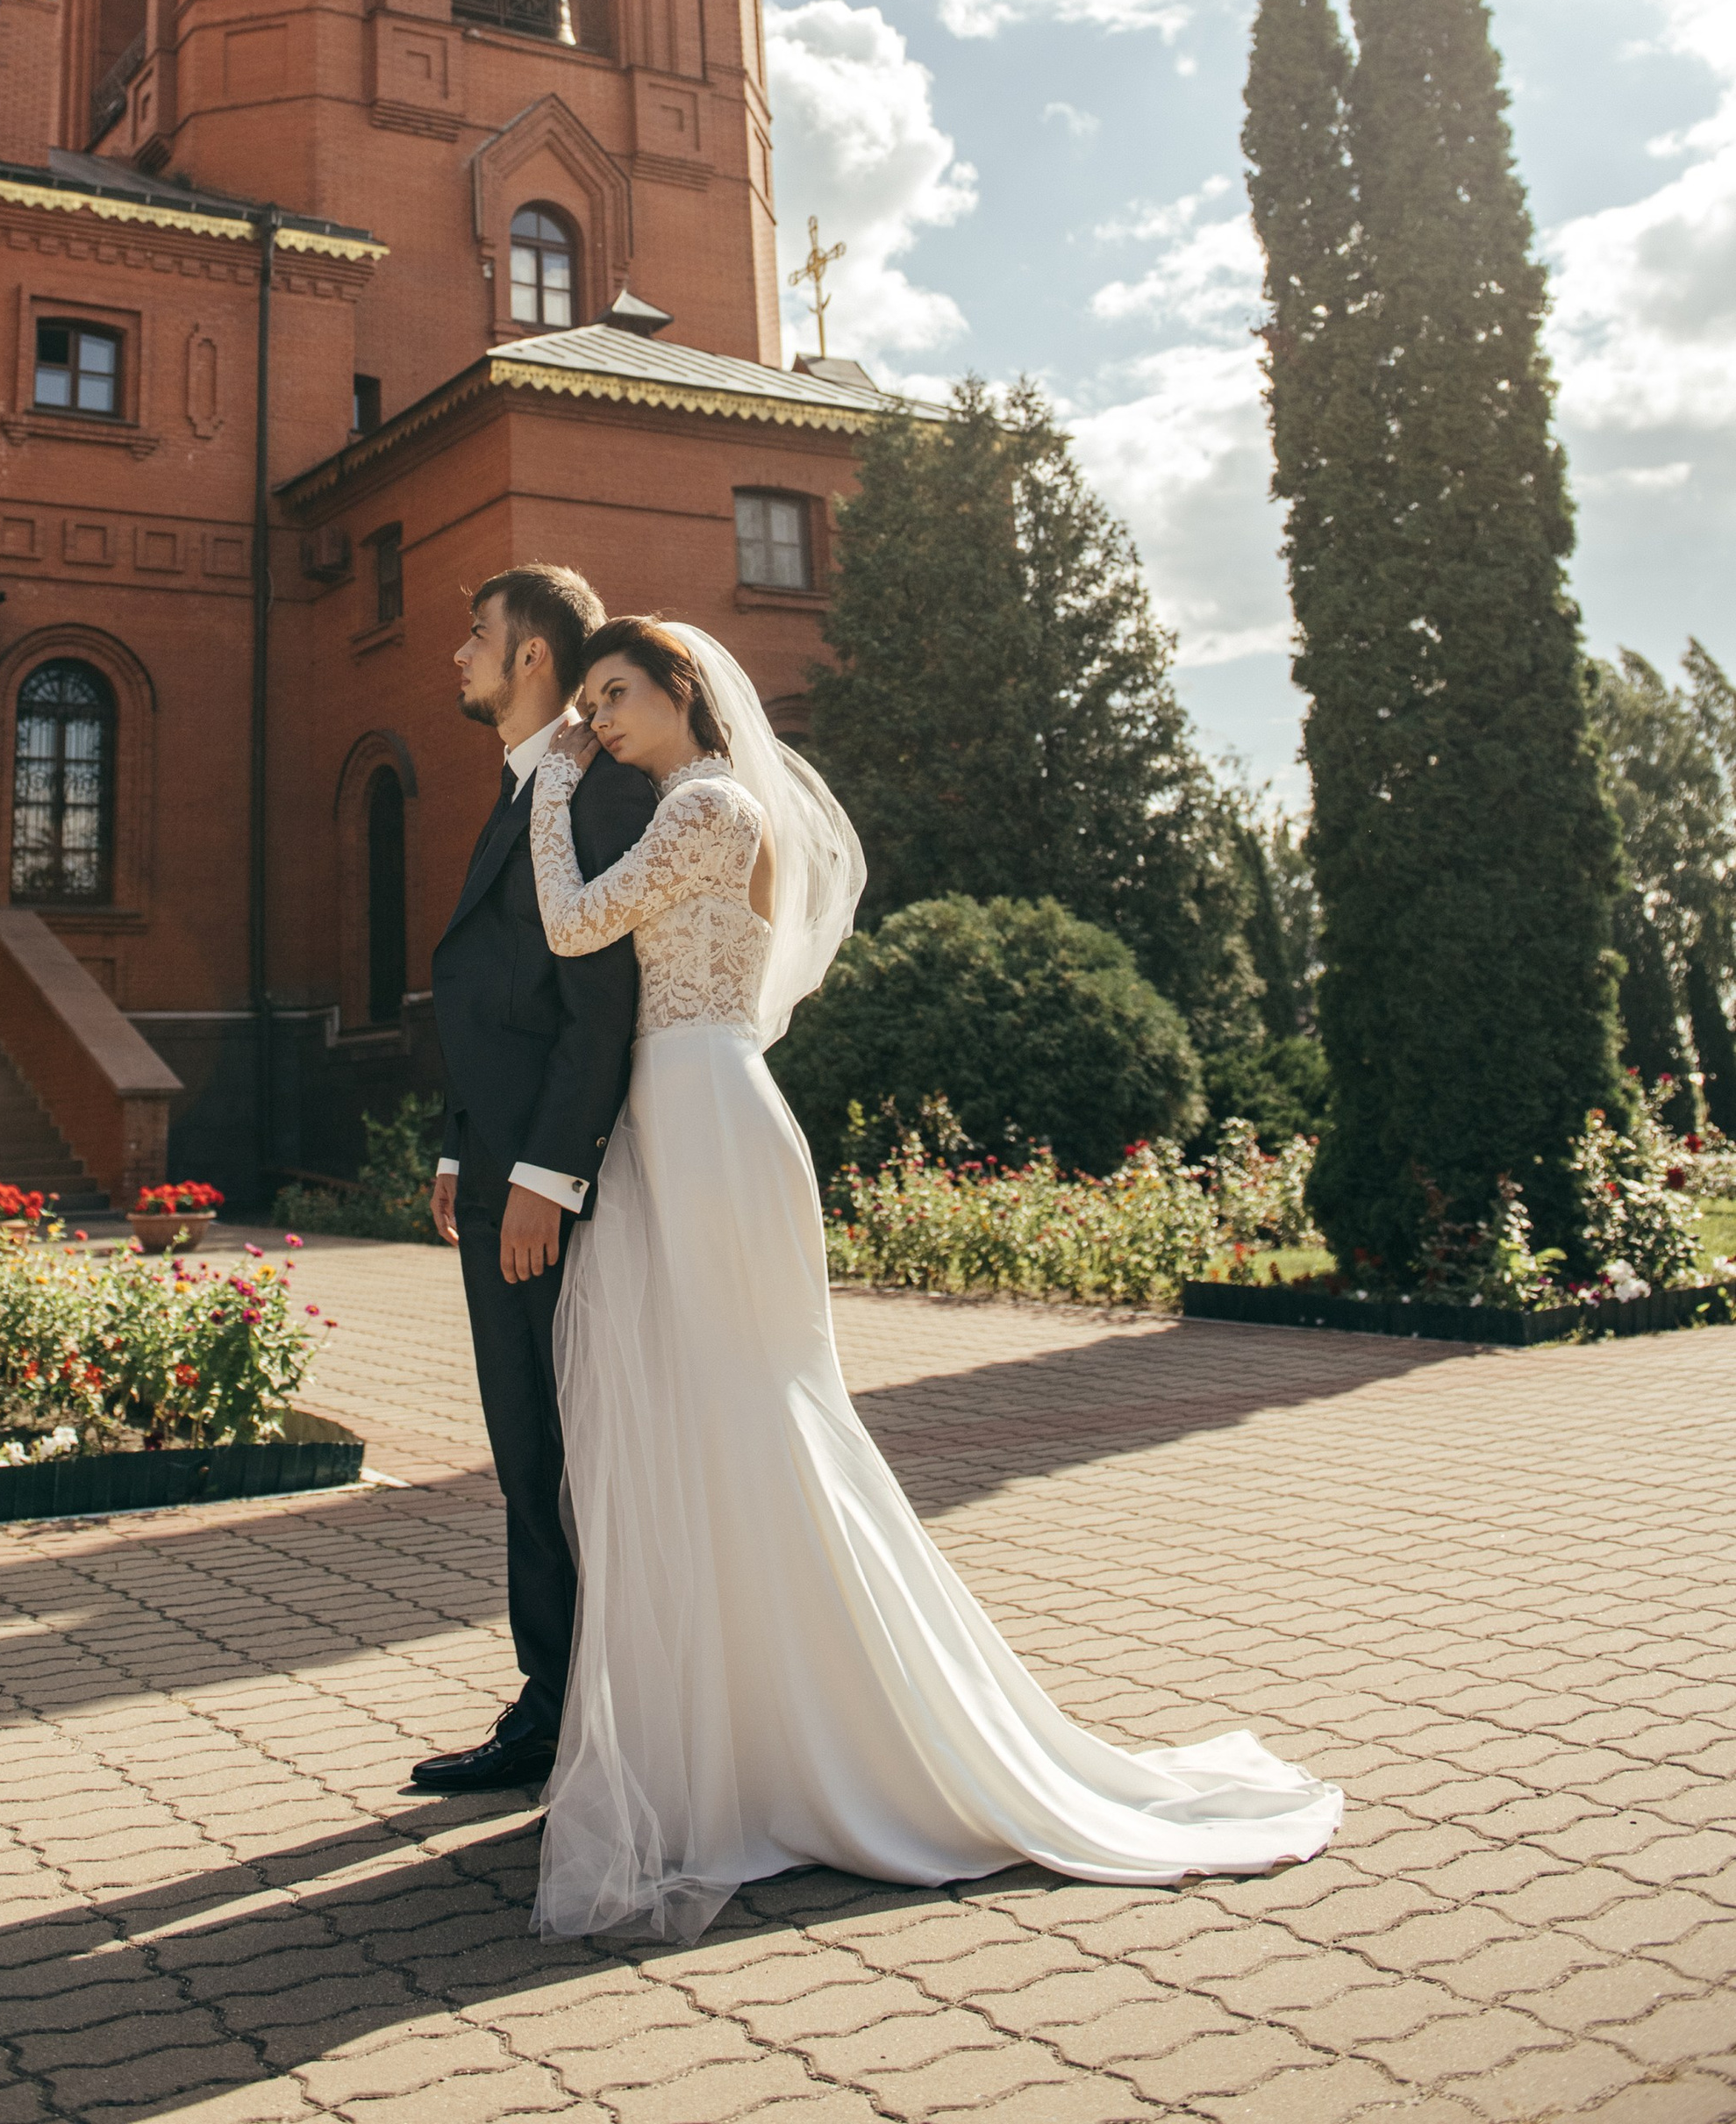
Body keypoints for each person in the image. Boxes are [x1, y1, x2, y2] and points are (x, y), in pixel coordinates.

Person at [525, 615, 1345, 1942]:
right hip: (690, 1109)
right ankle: (752, 1732)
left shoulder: (708, 808)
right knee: (719, 1415)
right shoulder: (703, 802)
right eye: (590, 703)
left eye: (616, 694)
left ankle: (826, 1739)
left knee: (745, 1413)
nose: (601, 717)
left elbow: (573, 926)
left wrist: (553, 785)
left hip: (705, 1116)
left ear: (683, 688)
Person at [406, 564, 659, 1799]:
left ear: (530, 662)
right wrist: (463, 1142)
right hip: (500, 1162)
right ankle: (556, 1693)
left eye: (474, 634)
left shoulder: (593, 793)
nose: (457, 654)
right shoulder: (529, 784)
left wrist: (545, 1176)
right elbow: (496, 990)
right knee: (526, 1444)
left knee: (550, 1445)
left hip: (546, 1189)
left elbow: (595, 1002)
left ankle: (565, 1707)